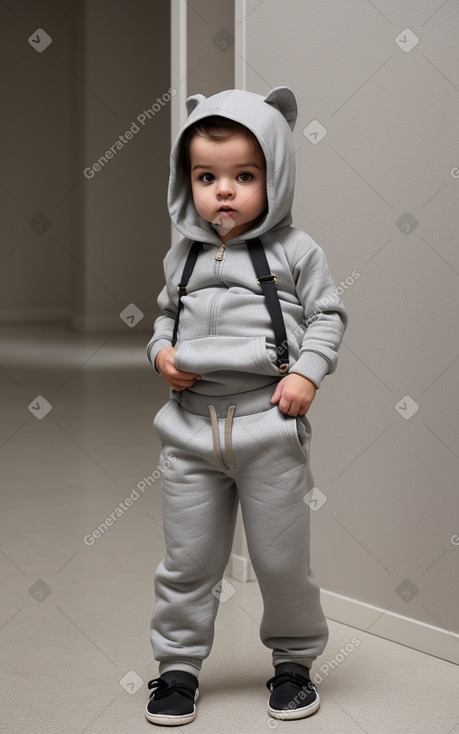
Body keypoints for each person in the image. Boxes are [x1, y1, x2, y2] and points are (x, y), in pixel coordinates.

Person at [145, 87, 347, 726]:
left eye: (244, 176)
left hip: (268, 426)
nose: (223, 192)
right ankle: (176, 668)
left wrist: (307, 376)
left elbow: (327, 317)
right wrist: (160, 356)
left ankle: (292, 663)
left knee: (281, 560)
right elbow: (163, 321)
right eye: (207, 178)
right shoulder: (184, 256)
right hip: (190, 430)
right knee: (187, 560)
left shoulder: (296, 251)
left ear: (275, 177)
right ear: (188, 183)